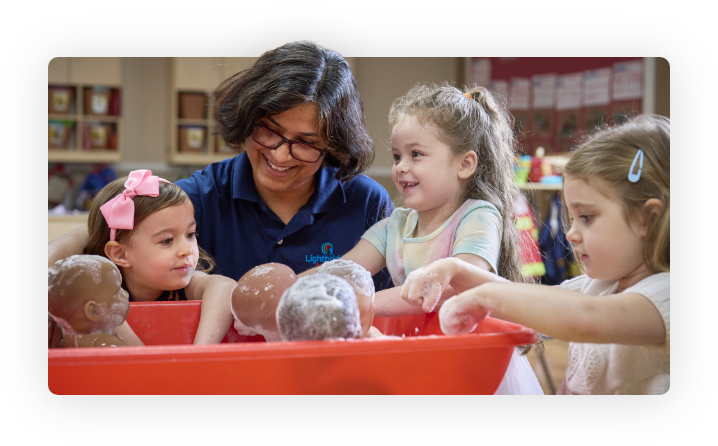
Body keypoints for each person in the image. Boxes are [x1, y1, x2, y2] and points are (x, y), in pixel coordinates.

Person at [48, 41, 394, 292]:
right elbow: (100, 233)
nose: (280, 155)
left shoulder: (366, 203)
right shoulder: (202, 195)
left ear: (332, 145)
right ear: (247, 119)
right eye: (269, 130)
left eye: (305, 142)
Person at [301, 83, 543, 394]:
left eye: (416, 154)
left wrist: (362, 304)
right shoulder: (396, 225)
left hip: (472, 369)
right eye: (397, 155)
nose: (400, 167)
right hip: (421, 361)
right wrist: (294, 286)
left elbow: (455, 284)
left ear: (465, 164)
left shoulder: (478, 215)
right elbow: (340, 271)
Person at [406, 114, 670, 395]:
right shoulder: (599, 287)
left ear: (647, 219)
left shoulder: (662, 295)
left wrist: (486, 297)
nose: (571, 234)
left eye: (587, 217)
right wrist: (458, 271)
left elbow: (582, 319)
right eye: (572, 218)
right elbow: (532, 306)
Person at [82, 169, 237, 345]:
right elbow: (100, 304)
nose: (187, 250)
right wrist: (144, 356)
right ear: (120, 254)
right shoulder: (103, 293)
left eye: (190, 234)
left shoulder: (181, 284)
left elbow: (224, 286)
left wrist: (200, 351)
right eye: (167, 240)